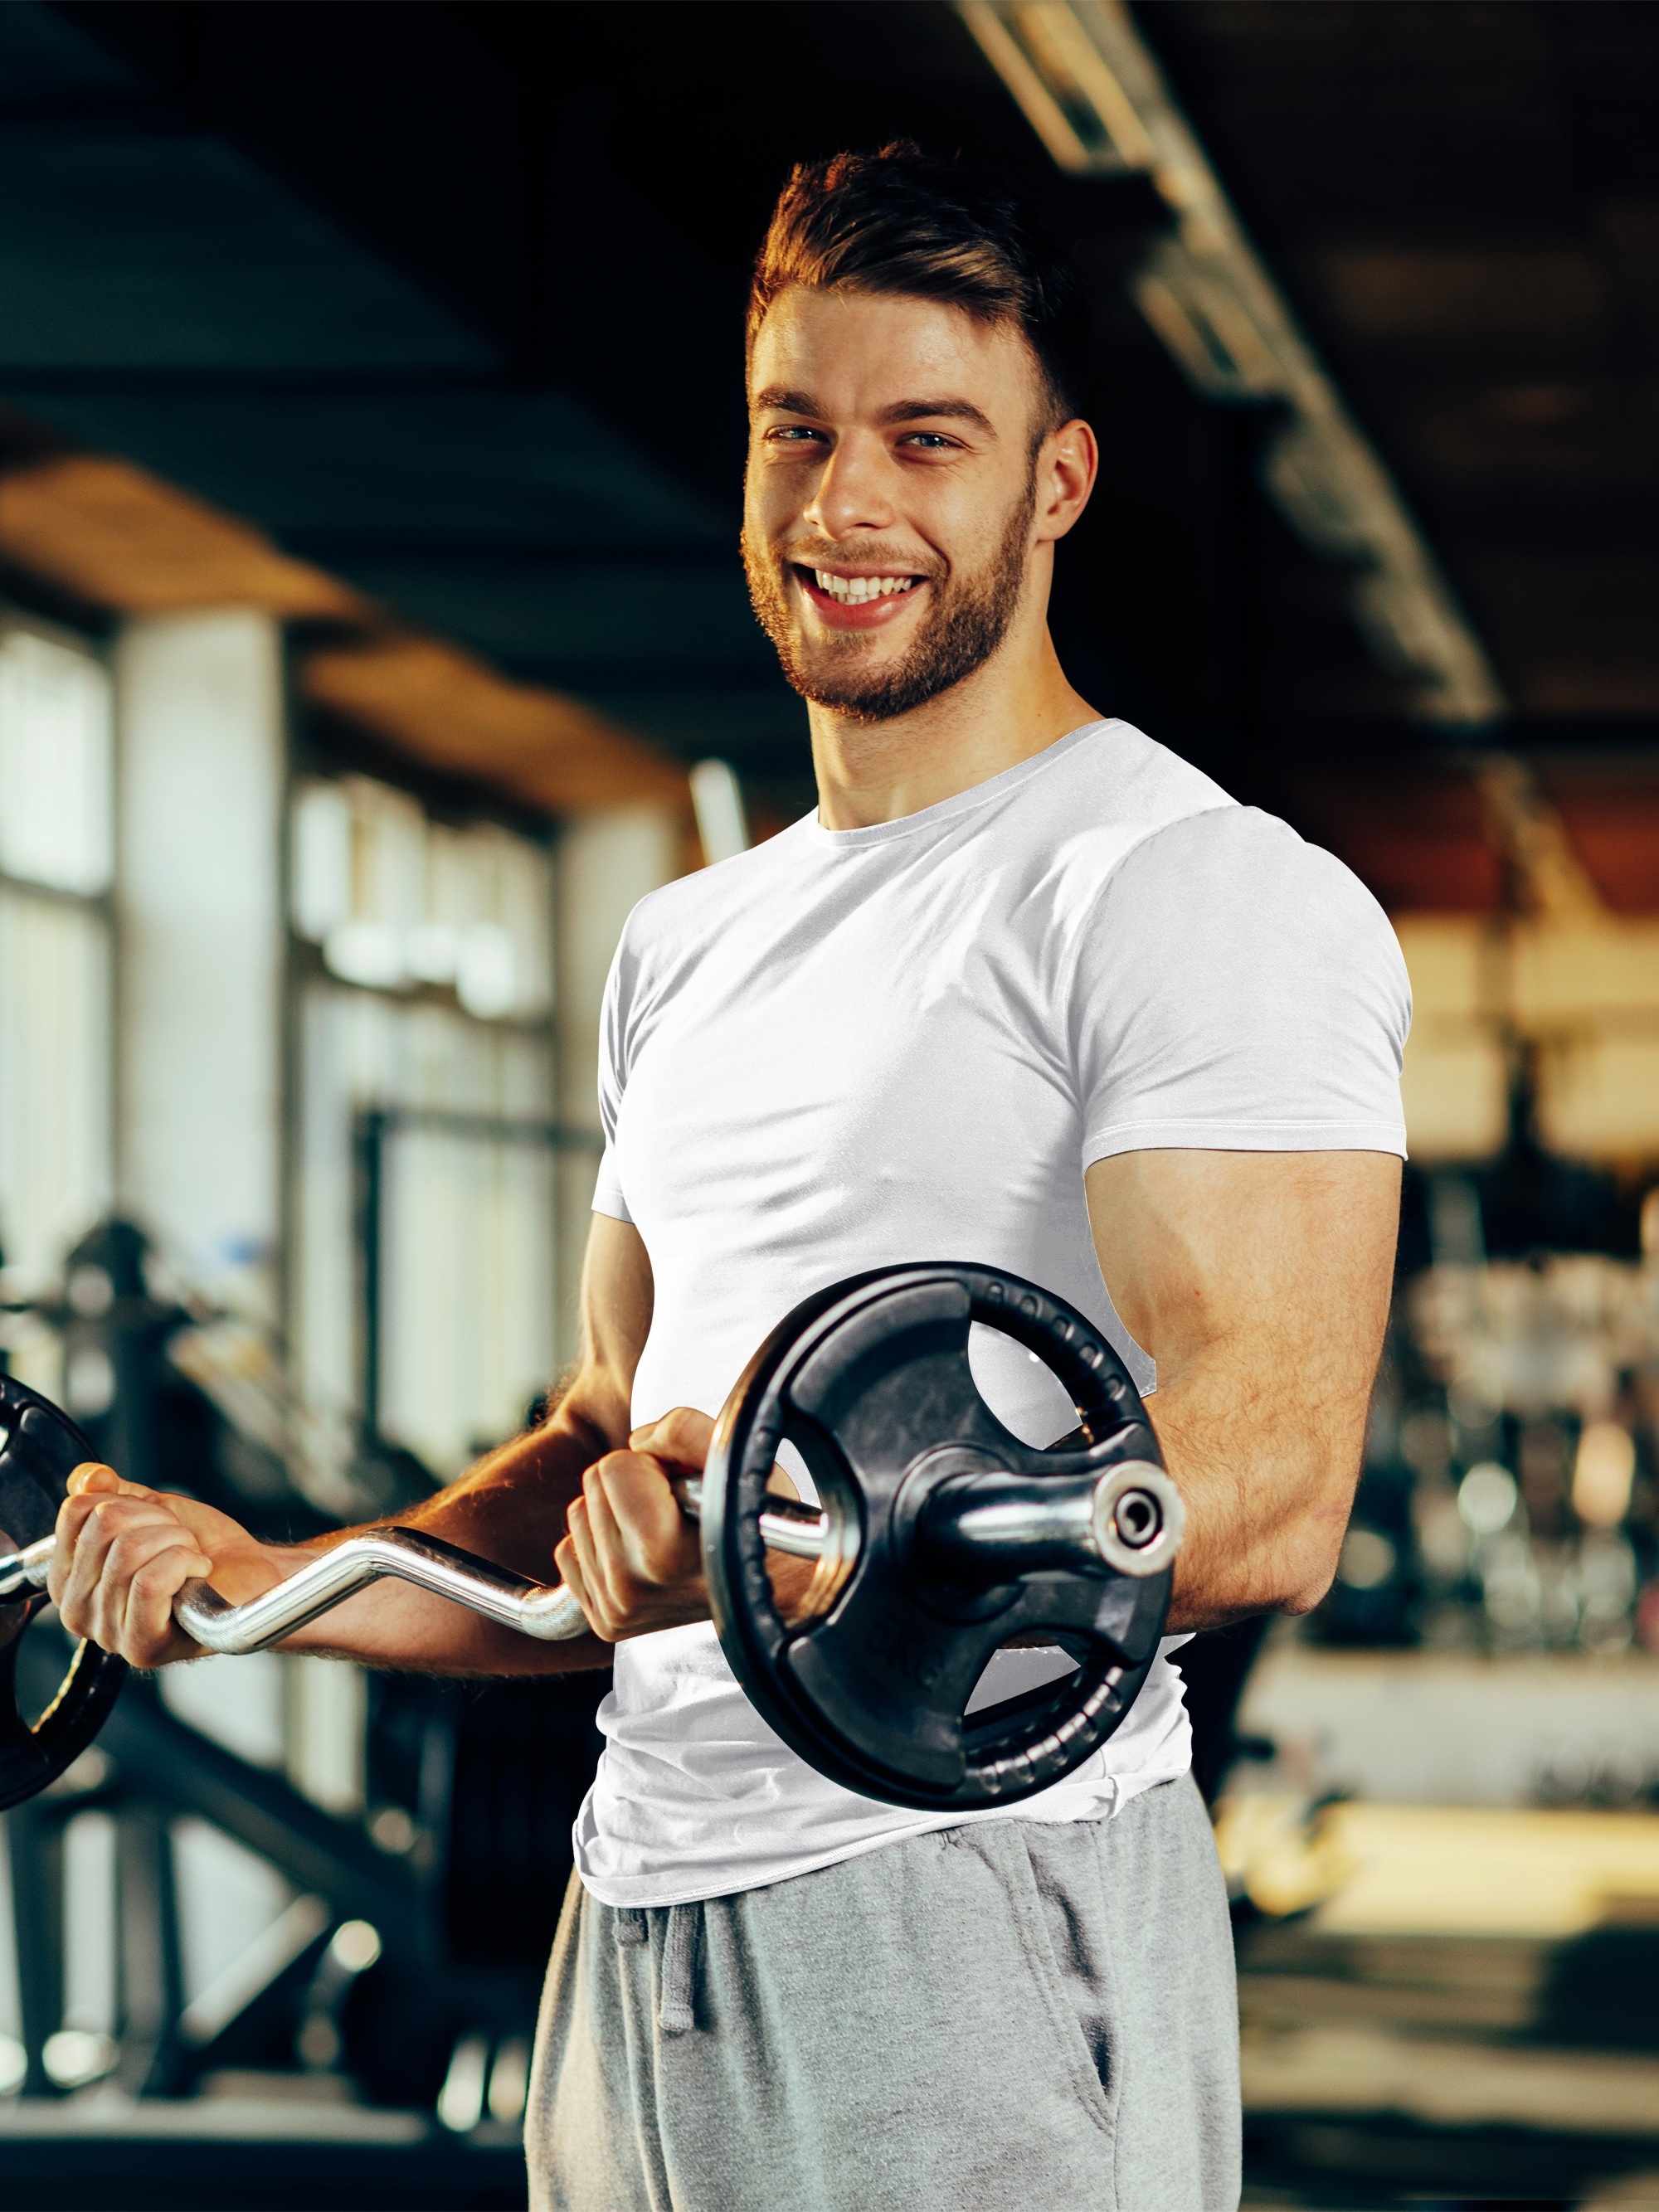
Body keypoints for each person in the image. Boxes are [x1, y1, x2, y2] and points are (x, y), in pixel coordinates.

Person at [51, 144, 1408, 2212]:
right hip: (639, 1920)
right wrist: (274, 1587)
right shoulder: (686, 944)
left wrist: (803, 1560)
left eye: (924, 440)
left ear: (1054, 483)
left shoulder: (1178, 887)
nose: (844, 507)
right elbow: (596, 1466)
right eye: (800, 432)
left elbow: (1266, 1480)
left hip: (963, 1909)